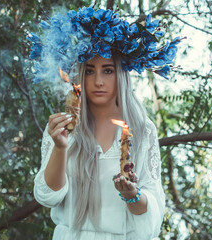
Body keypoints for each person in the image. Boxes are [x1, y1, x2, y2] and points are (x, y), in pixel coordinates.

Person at [28, 6, 181, 239]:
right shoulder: (63, 127)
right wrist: (60, 147)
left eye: (107, 70)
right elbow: (48, 196)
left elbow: (152, 213)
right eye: (90, 71)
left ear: (120, 74)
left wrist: (132, 194)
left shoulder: (142, 130)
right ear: (80, 75)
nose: (98, 81)